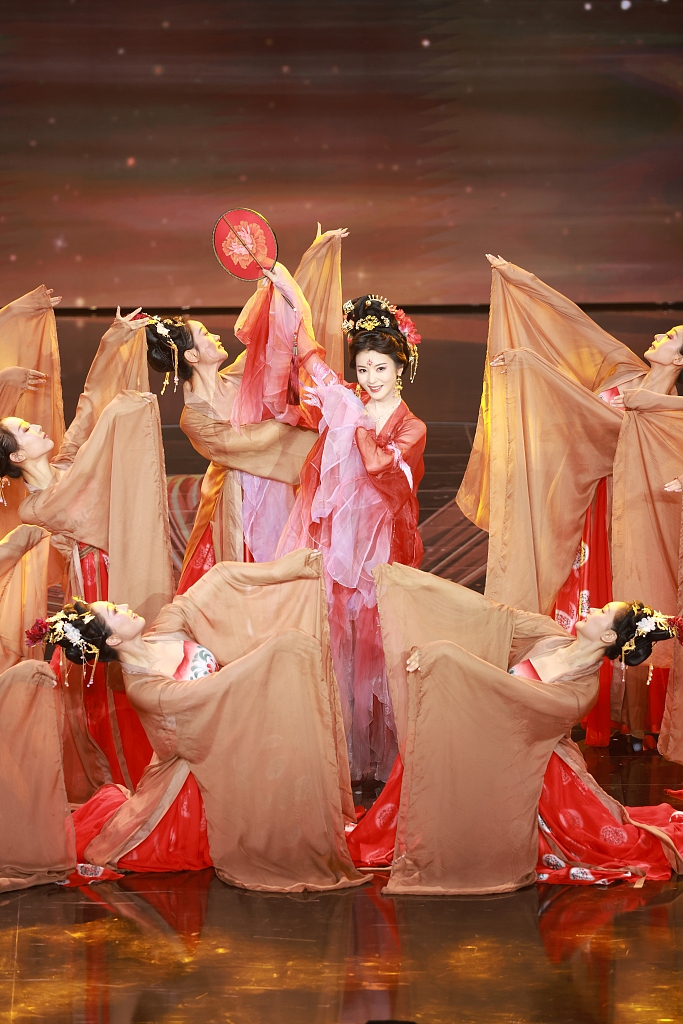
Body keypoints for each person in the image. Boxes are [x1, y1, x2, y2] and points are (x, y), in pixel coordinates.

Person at [27, 549, 364, 893]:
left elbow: (219, 578)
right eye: (115, 612)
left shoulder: (165, 629)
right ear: (113, 639)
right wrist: (276, 651)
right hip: (195, 777)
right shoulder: (145, 688)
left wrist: (287, 568)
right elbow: (215, 691)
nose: (125, 607)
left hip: (228, 741)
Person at [457, 255, 683, 750]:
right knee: (577, 593)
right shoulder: (625, 375)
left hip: (630, 509)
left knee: (620, 595)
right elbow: (569, 330)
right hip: (588, 498)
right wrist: (519, 285)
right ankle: (560, 689)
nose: (661, 339)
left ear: (681, 361)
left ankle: (624, 710)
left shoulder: (668, 415)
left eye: (672, 339)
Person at [347, 565, 683, 893]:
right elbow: (487, 614)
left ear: (609, 636)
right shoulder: (549, 635)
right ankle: (408, 832)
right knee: (429, 738)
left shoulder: (582, 691)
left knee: (445, 735)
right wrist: (410, 584)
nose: (592, 608)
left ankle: (436, 835)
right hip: (493, 729)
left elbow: (513, 698)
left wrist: (447, 658)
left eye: (603, 611)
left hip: (528, 752)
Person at [0, 306, 174, 797]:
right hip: (97, 583)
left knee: (146, 657)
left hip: (127, 566)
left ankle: (161, 762)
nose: (36, 428)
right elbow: (85, 485)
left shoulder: (67, 462)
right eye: (24, 431)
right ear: (15, 457)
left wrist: (114, 340)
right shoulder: (39, 507)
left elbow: (90, 406)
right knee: (107, 675)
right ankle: (119, 773)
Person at [277, 295, 425, 784]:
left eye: (380, 367)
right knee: (339, 643)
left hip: (385, 548)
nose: (370, 378)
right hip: (342, 544)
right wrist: (288, 295)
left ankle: (383, 761)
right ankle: (341, 758)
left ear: (399, 365)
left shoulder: (411, 426)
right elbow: (312, 365)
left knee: (379, 648)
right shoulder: (349, 406)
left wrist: (355, 423)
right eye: (362, 368)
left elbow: (384, 470)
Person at [147, 227, 346, 588]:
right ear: (191, 356)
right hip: (239, 500)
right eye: (206, 335)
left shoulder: (237, 377)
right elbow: (248, 443)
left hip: (280, 486)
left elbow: (275, 339)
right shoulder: (194, 418)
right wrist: (291, 417)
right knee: (256, 579)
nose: (216, 336)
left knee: (291, 570)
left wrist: (287, 279)